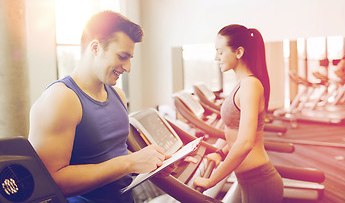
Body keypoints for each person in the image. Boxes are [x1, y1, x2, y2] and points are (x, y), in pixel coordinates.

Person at [28, 11, 169, 203]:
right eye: (122, 56)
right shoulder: (61, 99)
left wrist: (154, 163)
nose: (128, 67)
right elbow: (49, 182)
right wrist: (129, 163)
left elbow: (112, 152)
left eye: (130, 58)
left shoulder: (117, 94)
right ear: (95, 47)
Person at [193, 24, 283, 203]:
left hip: (260, 182)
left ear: (239, 52)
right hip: (248, 180)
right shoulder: (242, 84)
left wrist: (211, 180)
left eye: (219, 51)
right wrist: (220, 152)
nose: (215, 57)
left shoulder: (250, 85)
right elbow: (236, 134)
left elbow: (245, 142)